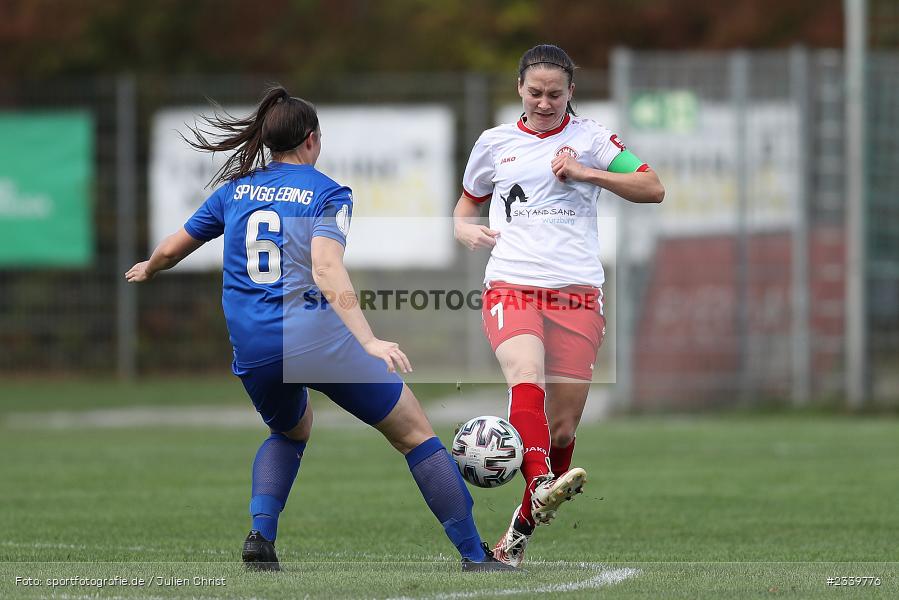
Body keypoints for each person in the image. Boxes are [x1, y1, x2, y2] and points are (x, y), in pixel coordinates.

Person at [126, 86, 514, 572]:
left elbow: (173, 248)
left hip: (253, 343)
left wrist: (149, 267)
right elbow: (327, 269)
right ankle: (475, 556)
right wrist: (368, 339)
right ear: (311, 140)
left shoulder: (235, 191)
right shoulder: (327, 192)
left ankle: (261, 537)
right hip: (312, 338)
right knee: (415, 434)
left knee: (290, 431)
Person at [453, 44, 664, 567]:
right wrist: (463, 227)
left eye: (555, 93)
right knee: (526, 374)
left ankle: (518, 534)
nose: (545, 103)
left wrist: (588, 174)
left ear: (571, 91)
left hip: (577, 293)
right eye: (535, 92)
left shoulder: (590, 139)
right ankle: (541, 478)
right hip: (512, 284)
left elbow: (651, 187)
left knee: (563, 429)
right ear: (519, 89)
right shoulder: (494, 143)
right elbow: (466, 204)